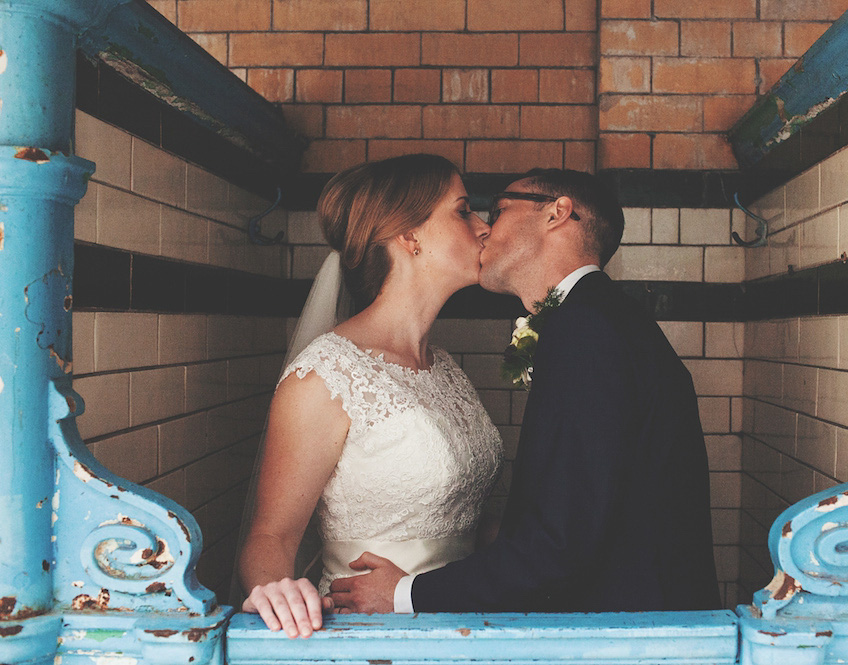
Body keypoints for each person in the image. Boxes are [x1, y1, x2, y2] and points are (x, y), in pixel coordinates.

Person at [327, 168, 721, 613]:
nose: (485, 228)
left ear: (557, 213)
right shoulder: (595, 319)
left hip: (627, 634)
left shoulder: (587, 330)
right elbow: (585, 507)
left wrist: (405, 594)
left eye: (497, 210)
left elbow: (560, 543)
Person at [237, 154, 503, 637]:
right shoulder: (325, 377)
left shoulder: (445, 368)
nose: (484, 228)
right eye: (463, 211)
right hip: (368, 634)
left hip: (463, 626)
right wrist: (277, 591)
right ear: (409, 235)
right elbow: (270, 535)